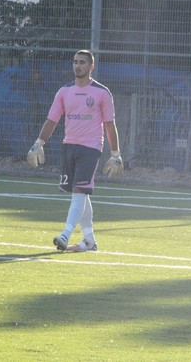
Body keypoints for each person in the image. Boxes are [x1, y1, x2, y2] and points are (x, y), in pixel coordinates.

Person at [27, 49, 123, 252]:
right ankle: (89, 240)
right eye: (75, 62)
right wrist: (38, 143)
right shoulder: (64, 91)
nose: (77, 66)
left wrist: (116, 154)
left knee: (79, 191)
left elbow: (109, 124)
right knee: (81, 194)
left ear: (91, 66)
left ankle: (65, 234)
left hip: (91, 148)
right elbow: (52, 120)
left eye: (82, 62)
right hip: (69, 146)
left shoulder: (101, 92)